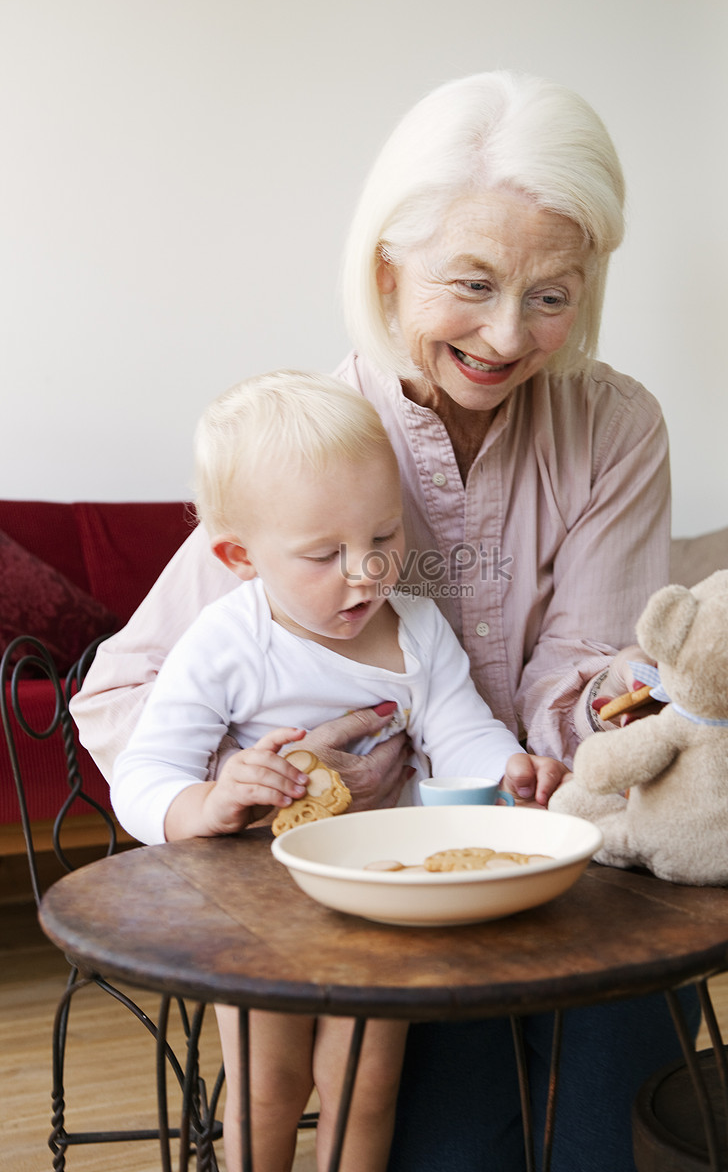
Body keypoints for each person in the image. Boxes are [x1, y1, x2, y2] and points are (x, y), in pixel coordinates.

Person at [72, 69, 698, 1171]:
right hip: (380, 909)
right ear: (385, 268)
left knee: (610, 1123)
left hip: (564, 870)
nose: (507, 336)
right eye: (471, 284)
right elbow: (125, 694)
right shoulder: (309, 446)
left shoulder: (614, 426)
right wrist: (272, 773)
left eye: (551, 294)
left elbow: (585, 665)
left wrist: (593, 734)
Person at [111, 368, 568, 1172]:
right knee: (267, 1087)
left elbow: (462, 731)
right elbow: (142, 775)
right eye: (325, 554)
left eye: (384, 538)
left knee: (363, 1086)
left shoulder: (416, 629)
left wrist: (510, 770)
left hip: (379, 896)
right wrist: (210, 803)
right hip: (257, 910)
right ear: (238, 556)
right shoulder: (228, 641)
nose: (365, 572)